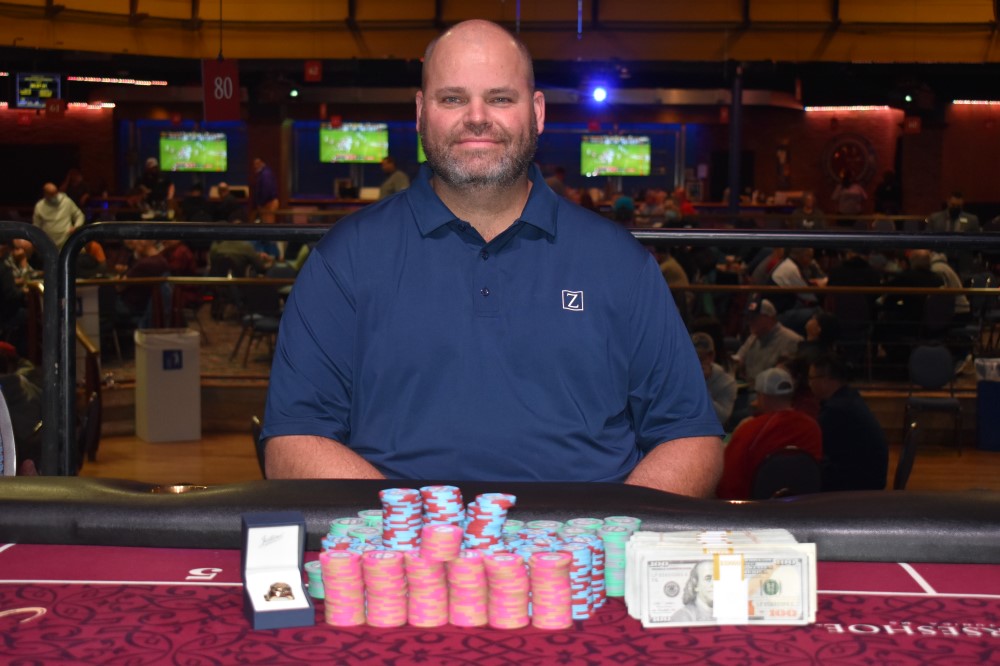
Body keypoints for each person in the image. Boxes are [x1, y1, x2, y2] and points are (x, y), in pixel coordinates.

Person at [262, 19, 724, 496]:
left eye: (500, 98)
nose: (477, 117)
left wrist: (613, 531)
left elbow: (691, 438)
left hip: (585, 540)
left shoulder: (618, 261)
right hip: (404, 539)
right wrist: (419, 529)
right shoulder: (346, 257)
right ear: (421, 112)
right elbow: (293, 442)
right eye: (452, 99)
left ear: (537, 112)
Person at [715, 367, 822, 500]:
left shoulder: (750, 429)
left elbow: (728, 482)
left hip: (753, 508)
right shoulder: (812, 427)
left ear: (762, 396)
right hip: (804, 506)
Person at [808, 354, 888, 491]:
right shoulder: (848, 397)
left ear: (825, 380)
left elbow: (816, 450)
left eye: (811, 378)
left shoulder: (836, 410)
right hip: (870, 477)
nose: (809, 383)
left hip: (859, 484)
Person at [691, 332, 736, 427]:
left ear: (711, 356)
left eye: (700, 358)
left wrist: (701, 387)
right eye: (691, 358)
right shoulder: (677, 377)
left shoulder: (727, 383)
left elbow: (722, 418)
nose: (695, 363)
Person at [32, 182, 85, 249]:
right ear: (45, 194)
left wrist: (76, 226)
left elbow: (79, 215)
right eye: (51, 194)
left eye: (55, 193)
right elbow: (36, 227)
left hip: (66, 241)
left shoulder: (66, 201)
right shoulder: (39, 206)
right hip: (49, 244)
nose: (54, 196)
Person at [252, 157, 279, 223]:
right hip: (266, 202)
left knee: (268, 224)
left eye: (257, 164)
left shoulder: (265, 174)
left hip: (268, 203)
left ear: (262, 163)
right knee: (265, 223)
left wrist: (261, 203)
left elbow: (266, 190)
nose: (255, 166)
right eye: (254, 164)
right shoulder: (263, 173)